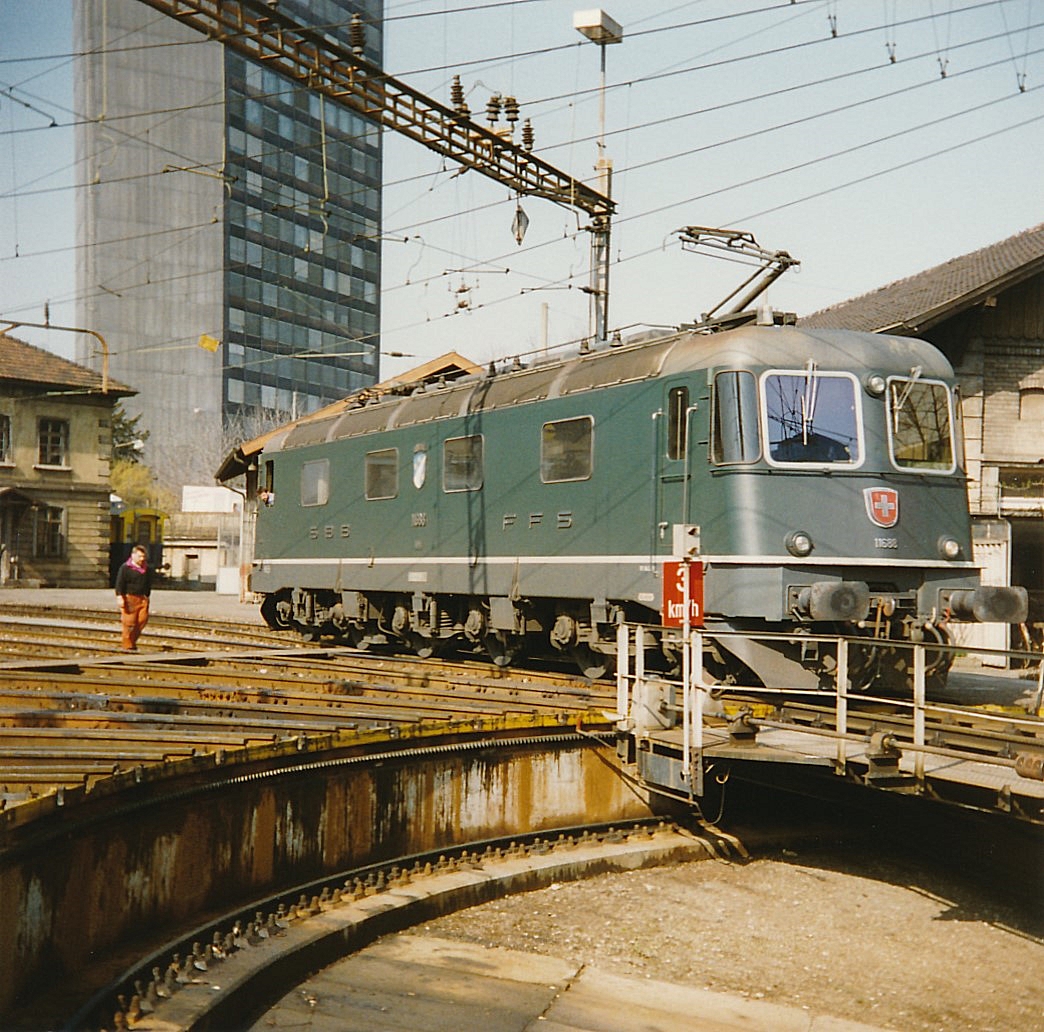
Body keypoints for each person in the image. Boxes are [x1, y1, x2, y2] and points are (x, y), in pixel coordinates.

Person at [115, 544, 152, 651]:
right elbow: (119, 583)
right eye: (140, 556)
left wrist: (147, 596)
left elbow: (148, 583)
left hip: (142, 598)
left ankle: (132, 641)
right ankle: (128, 646)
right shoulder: (125, 568)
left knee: (142, 620)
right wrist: (120, 597)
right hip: (129, 598)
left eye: (143, 556)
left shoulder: (147, 569)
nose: (142, 559)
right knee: (129, 624)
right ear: (133, 555)